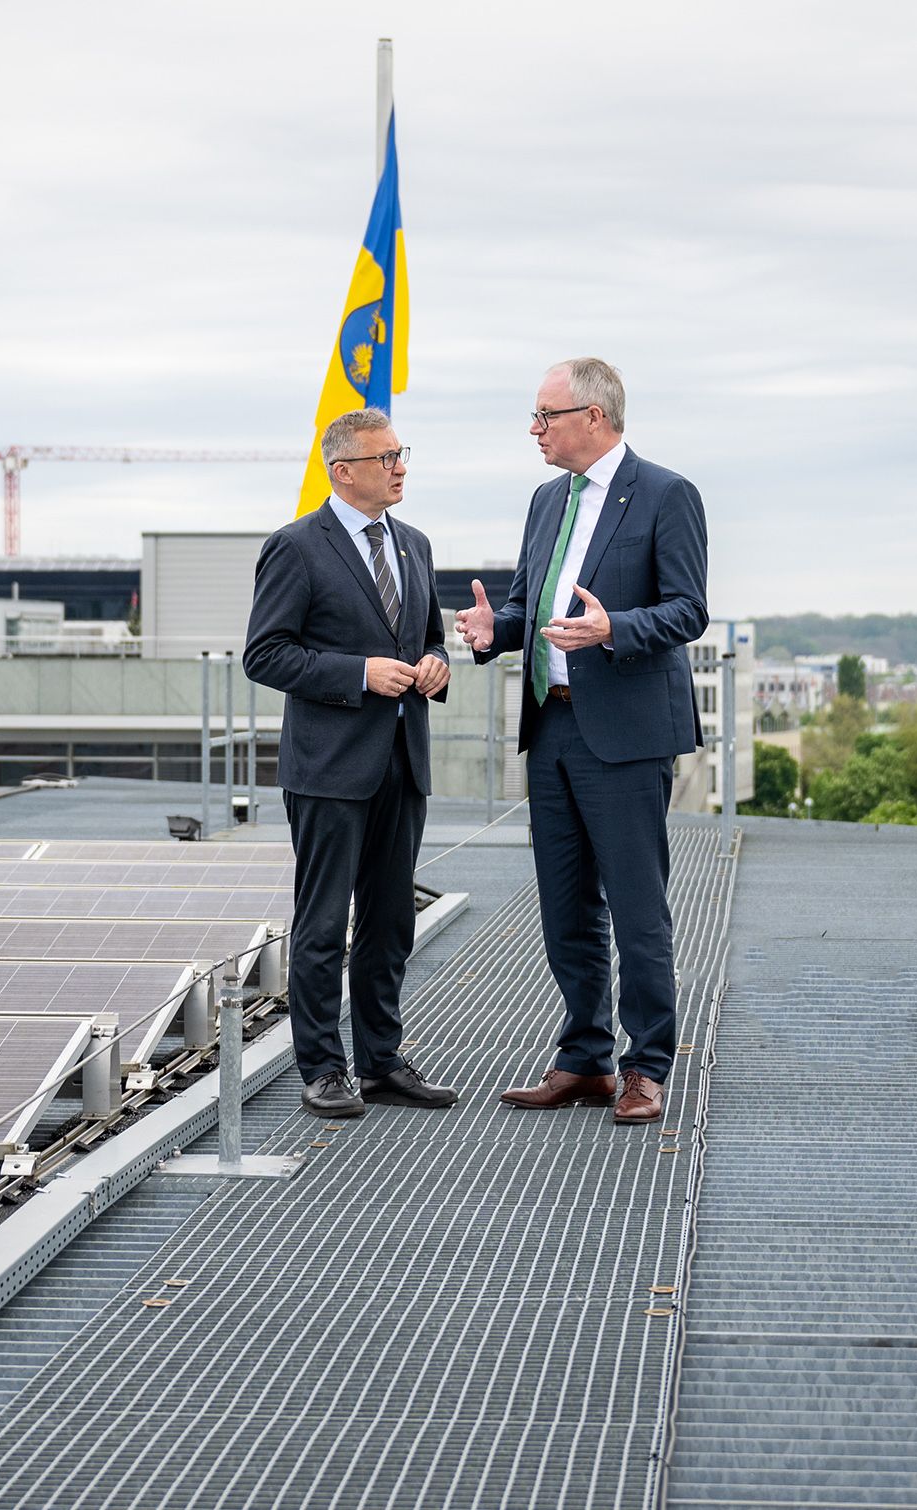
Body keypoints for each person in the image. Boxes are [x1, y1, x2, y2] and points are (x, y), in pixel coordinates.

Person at [455, 359, 709, 1124]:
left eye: (545, 415)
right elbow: (526, 606)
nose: (535, 430)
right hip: (553, 724)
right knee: (565, 908)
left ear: (594, 417)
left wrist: (614, 629)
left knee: (635, 908)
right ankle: (585, 1058)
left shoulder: (667, 494)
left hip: (626, 733)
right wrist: (492, 631)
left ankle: (647, 1066)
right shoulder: (544, 501)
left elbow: (688, 610)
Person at [244, 407, 459, 1118]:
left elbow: (430, 637)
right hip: (330, 767)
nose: (401, 467)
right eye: (386, 458)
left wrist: (434, 664)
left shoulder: (417, 545)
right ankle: (321, 1067)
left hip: (403, 758)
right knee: (323, 921)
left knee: (391, 921)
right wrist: (361, 674)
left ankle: (381, 1062)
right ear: (343, 470)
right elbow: (266, 654)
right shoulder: (297, 547)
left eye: (402, 454)